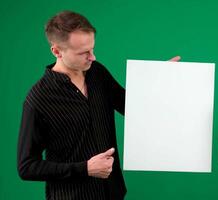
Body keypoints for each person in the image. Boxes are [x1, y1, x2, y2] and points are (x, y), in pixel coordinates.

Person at [17, 10, 179, 199]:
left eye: (92, 48)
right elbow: (26, 167)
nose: (92, 57)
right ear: (56, 51)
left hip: (113, 192)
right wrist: (84, 168)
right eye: (83, 52)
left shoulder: (97, 73)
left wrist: (160, 78)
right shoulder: (38, 98)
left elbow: (130, 106)